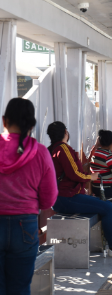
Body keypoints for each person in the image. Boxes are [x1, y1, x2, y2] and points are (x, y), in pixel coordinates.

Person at [47, 122, 112, 258]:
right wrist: (90, 177)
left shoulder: (50, 149)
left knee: (106, 207)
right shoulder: (63, 149)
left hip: (60, 197)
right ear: (65, 132)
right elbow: (74, 173)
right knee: (107, 206)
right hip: (67, 197)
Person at [0, 98, 57, 295]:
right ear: (32, 125)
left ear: (4, 121)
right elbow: (49, 198)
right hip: (26, 226)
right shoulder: (40, 152)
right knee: (20, 287)